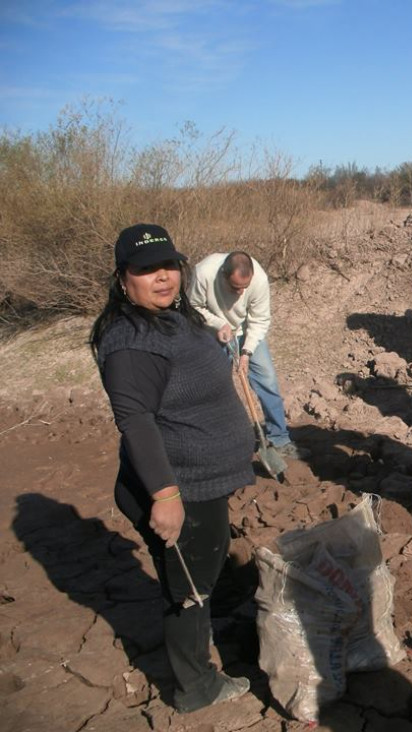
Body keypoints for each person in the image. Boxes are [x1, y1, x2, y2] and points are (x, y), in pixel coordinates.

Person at [89, 224, 255, 713]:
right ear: (123, 279)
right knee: (187, 593)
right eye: (145, 270)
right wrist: (164, 496)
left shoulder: (170, 318)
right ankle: (197, 688)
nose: (162, 277)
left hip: (201, 482)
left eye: (168, 266)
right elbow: (135, 423)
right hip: (181, 488)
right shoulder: (131, 343)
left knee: (201, 572)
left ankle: (209, 610)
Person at [189, 251, 306, 459]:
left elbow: (260, 320)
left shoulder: (259, 279)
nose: (241, 293)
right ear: (223, 276)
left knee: (268, 380)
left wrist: (246, 352)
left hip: (245, 333)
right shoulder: (203, 273)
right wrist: (218, 324)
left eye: (245, 287)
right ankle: (219, 439)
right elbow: (193, 307)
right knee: (215, 386)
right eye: (235, 288)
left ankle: (279, 438)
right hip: (212, 334)